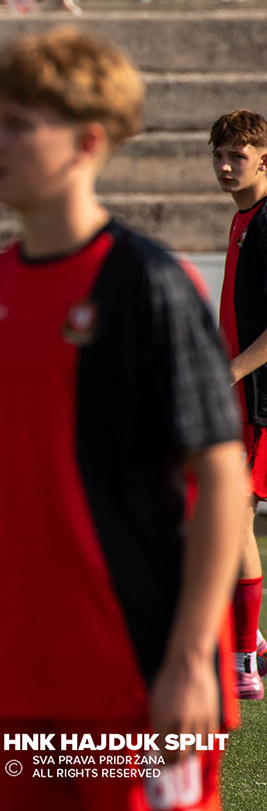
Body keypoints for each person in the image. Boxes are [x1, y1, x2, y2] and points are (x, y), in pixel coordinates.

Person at [0, 28, 247, 810]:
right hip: (7, 679)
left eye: (16, 123)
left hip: (130, 674)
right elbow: (7, 486)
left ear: (85, 140)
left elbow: (220, 483)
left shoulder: (150, 283)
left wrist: (187, 661)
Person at [209, 109, 267, 701]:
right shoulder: (244, 217)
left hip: (255, 399)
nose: (226, 166)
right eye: (220, 156)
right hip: (241, 396)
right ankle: (252, 648)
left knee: (234, 518)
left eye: (239, 156)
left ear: (264, 158)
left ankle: (244, 657)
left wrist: (230, 372)